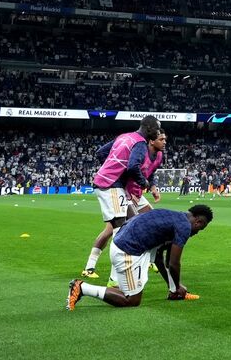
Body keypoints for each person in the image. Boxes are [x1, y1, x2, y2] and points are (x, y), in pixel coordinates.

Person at [68, 205, 213, 310]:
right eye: (201, 228)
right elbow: (174, 263)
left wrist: (174, 288)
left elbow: (160, 259)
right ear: (198, 222)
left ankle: (173, 292)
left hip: (123, 244)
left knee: (131, 290)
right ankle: (82, 288)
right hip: (127, 251)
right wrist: (177, 287)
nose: (197, 232)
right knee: (131, 300)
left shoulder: (173, 217)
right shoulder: (184, 227)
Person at [82, 116, 162, 279]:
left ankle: (145, 262)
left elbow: (101, 153)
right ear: (148, 129)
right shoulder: (140, 144)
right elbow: (133, 167)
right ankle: (114, 277)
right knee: (120, 231)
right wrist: (142, 182)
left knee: (142, 223)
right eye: (157, 129)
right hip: (114, 186)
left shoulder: (125, 137)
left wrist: (112, 166)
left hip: (119, 187)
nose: (159, 132)